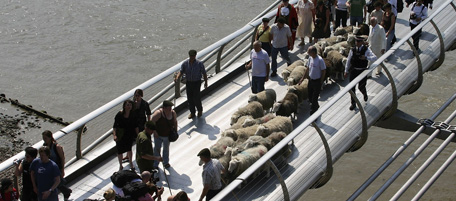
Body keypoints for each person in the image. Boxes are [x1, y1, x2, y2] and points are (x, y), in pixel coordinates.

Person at [344, 36, 378, 111]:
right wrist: (346, 71)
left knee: (361, 87)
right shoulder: (352, 50)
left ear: (362, 42)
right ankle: (353, 104)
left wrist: (366, 57)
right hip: (354, 70)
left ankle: (364, 94)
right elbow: (349, 60)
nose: (357, 43)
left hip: (362, 71)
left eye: (358, 42)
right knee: (352, 88)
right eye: (356, 41)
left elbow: (374, 57)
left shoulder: (366, 49)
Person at [174, 50, 208, 119]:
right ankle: (192, 112)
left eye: (193, 56)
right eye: (191, 56)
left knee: (196, 97)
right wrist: (177, 77)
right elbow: (181, 71)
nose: (192, 57)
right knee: (189, 98)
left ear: (195, 56)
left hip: (197, 82)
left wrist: (206, 82)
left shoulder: (199, 63)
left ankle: (200, 110)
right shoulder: (185, 63)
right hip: (189, 82)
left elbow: (204, 73)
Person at [41, 130, 72, 200]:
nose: (44, 140)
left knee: (57, 183)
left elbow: (62, 158)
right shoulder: (45, 146)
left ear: (50, 138)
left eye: (45, 138)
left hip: (56, 168)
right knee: (55, 183)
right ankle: (66, 192)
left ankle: (66, 192)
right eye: (43, 138)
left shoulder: (56, 147)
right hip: (49, 168)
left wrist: (62, 170)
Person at [299, 46, 326, 116]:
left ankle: (314, 113)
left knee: (314, 98)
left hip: (317, 81)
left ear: (313, 52)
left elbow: (323, 70)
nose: (308, 53)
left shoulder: (320, 60)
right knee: (310, 97)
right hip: (311, 81)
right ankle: (316, 106)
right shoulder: (310, 58)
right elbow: (307, 69)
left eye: (309, 52)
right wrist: (303, 78)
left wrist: (321, 81)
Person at [113, 100, 139, 171]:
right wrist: (114, 135)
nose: (129, 106)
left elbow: (136, 126)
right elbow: (115, 126)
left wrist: (138, 135)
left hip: (129, 135)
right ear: (124, 106)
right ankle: (120, 165)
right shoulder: (119, 115)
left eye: (130, 105)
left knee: (129, 149)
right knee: (120, 151)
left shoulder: (132, 114)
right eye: (127, 105)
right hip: (120, 135)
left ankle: (131, 162)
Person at [151, 100, 177, 169]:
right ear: (164, 108)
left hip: (167, 135)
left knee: (166, 149)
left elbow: (175, 122)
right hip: (158, 135)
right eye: (169, 107)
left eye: (171, 107)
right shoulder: (158, 113)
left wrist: (175, 131)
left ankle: (166, 162)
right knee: (157, 149)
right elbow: (152, 122)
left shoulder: (173, 113)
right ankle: (155, 163)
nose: (170, 109)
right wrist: (155, 132)